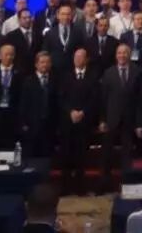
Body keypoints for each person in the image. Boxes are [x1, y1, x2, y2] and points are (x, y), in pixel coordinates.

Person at [98, 44, 138, 190]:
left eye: (125, 53)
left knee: (127, 153)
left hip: (129, 119)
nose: (122, 55)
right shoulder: (108, 73)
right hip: (111, 119)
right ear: (116, 56)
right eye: (119, 53)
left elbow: (140, 99)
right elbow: (103, 99)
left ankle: (127, 184)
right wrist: (102, 119)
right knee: (106, 154)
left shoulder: (137, 72)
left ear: (129, 55)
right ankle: (104, 184)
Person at [59, 48, 97, 194]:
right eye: (76, 57)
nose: (78, 59)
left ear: (86, 59)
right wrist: (71, 112)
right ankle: (65, 187)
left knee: (81, 156)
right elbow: (60, 97)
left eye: (81, 57)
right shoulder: (65, 76)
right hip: (68, 121)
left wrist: (83, 112)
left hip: (84, 121)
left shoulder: (93, 76)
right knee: (66, 154)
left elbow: (95, 99)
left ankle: (80, 187)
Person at [20, 52, 53, 159]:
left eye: (47, 62)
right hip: (31, 126)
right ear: (36, 64)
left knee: (46, 158)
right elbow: (23, 104)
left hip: (49, 127)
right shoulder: (28, 81)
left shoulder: (55, 81)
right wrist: (24, 123)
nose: (45, 65)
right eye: (42, 62)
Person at [43, 5, 76, 72]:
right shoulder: (50, 33)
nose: (66, 17)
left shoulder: (77, 32)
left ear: (71, 16)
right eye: (63, 14)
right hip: (54, 69)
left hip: (72, 69)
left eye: (68, 14)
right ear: (58, 15)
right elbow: (46, 51)